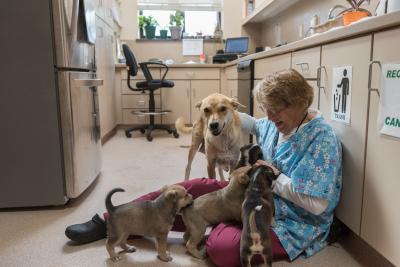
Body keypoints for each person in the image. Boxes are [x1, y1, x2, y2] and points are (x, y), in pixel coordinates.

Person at [65, 69, 342, 266]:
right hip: (249, 196)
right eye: (265, 109)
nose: (268, 116)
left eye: (274, 110)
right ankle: (110, 221)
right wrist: (219, 109)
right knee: (185, 190)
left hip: (287, 222)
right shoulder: (275, 122)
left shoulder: (322, 140)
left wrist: (275, 175)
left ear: (298, 103)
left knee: (222, 249)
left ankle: (211, 223)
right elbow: (253, 122)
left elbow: (316, 204)